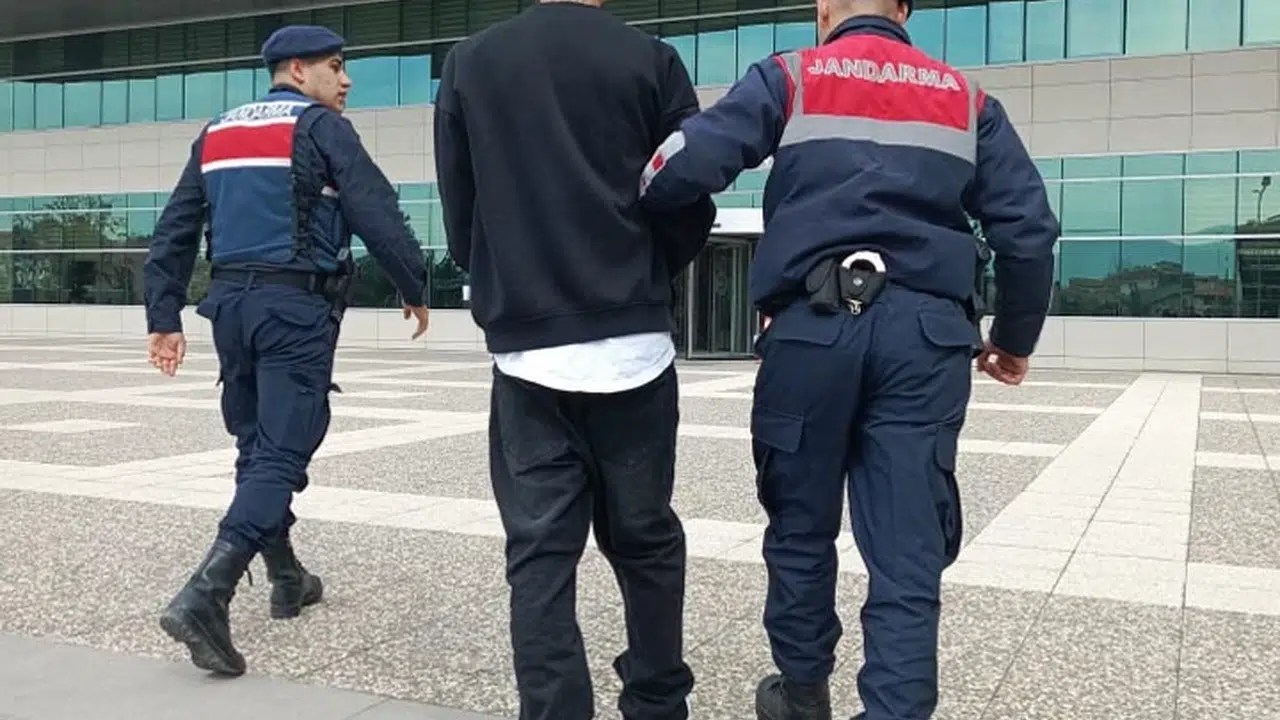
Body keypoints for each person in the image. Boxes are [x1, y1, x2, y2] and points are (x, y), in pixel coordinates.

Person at [637, 0, 1059, 718]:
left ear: (823, 8)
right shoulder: (968, 100)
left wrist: (638, 204)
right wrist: (1014, 339)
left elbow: (683, 164)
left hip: (811, 330)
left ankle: (802, 694)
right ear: (904, 9)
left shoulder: (790, 77)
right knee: (906, 543)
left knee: (800, 524)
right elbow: (1029, 232)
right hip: (926, 337)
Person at [432, 1, 716, 718]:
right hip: (634, 347)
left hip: (528, 353)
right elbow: (690, 191)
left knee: (539, 556)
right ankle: (657, 702)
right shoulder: (651, 59)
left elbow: (460, 211)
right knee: (646, 541)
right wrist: (645, 273)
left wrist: (508, 277)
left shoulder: (471, 61)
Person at [142, 24, 432, 678]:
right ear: (298, 70)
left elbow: (176, 229)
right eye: (336, 66)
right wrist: (414, 284)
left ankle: (286, 577)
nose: (346, 80)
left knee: (255, 446)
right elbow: (375, 209)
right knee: (281, 451)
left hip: (230, 310)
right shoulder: (322, 128)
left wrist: (164, 315)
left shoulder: (217, 133)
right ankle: (205, 594)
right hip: (294, 310)